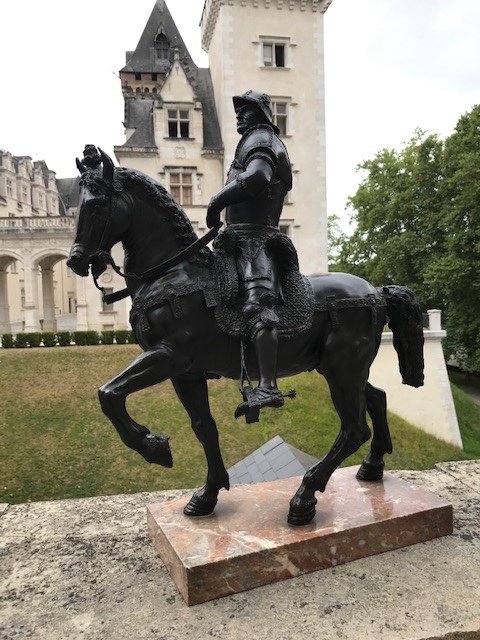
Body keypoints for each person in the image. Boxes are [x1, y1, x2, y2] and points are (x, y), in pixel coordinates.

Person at [206, 90, 294, 420]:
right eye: (238, 111)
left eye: (246, 110)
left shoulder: (262, 139)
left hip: (258, 237)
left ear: (261, 114)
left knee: (260, 303)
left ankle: (268, 386)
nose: (239, 116)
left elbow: (257, 177)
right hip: (237, 237)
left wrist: (216, 202)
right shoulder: (250, 141)